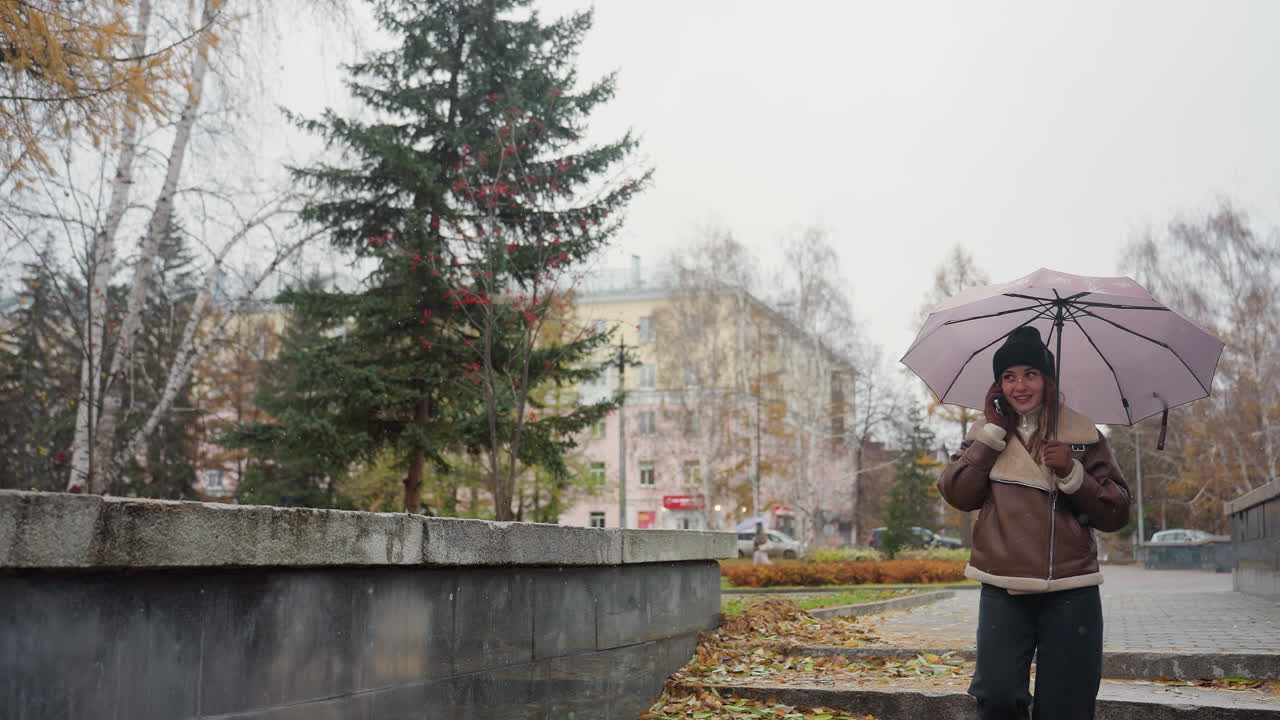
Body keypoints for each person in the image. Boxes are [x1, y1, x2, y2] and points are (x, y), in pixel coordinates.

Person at [937, 326, 1131, 720]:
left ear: (1047, 379)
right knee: (997, 697)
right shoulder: (985, 434)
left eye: (1030, 373)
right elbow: (958, 493)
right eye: (1009, 376)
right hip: (1003, 584)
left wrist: (1074, 473)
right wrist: (992, 434)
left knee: (1067, 706)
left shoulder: (1082, 434)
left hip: (1070, 587)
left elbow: (1117, 512)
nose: (1019, 385)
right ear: (998, 386)